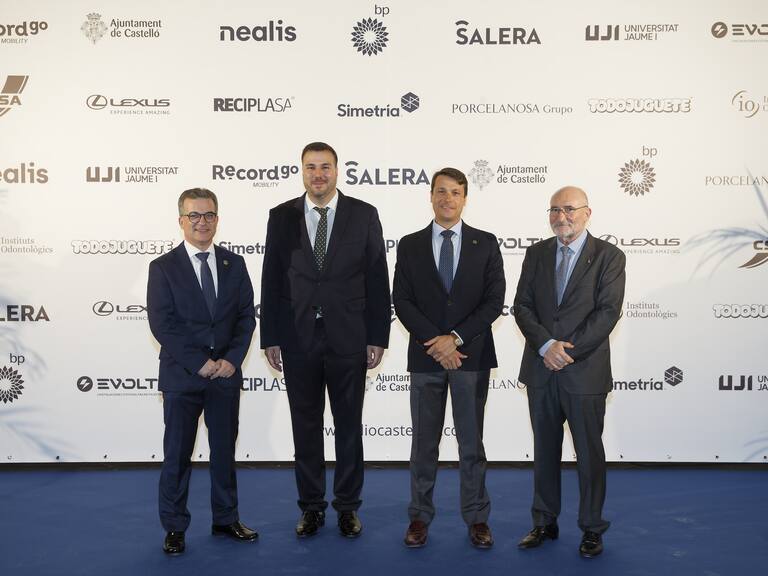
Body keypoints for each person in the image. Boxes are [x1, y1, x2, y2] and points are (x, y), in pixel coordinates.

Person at [260, 142, 391, 538]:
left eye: (325, 167)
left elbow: (377, 277)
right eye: (311, 167)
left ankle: (348, 507)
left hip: (349, 336)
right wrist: (270, 335)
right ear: (302, 171)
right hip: (297, 337)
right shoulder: (281, 216)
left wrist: (378, 335)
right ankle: (312, 507)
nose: (318, 174)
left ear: (337, 170)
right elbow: (271, 277)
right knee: (305, 426)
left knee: (349, 426)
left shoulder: (363, 214)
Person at [393, 168, 505, 548]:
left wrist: (454, 339)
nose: (447, 199)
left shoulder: (485, 243)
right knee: (424, 445)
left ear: (465, 198)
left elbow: (494, 301)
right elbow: (402, 300)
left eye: (455, 192)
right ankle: (419, 517)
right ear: (430, 195)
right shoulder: (410, 245)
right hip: (427, 359)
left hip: (470, 358)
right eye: (441, 191)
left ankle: (477, 518)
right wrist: (437, 343)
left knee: (471, 445)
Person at [513, 186, 625, 558]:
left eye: (569, 209)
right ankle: (544, 522)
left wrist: (565, 351)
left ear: (587, 213)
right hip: (541, 369)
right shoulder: (536, 254)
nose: (562, 217)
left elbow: (608, 312)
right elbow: (522, 306)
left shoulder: (609, 256)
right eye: (555, 210)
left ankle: (592, 528)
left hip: (584, 373)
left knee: (589, 455)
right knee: (544, 451)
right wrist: (547, 346)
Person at [147, 187, 257, 554]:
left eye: (208, 215)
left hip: (225, 375)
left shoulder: (234, 264)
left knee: (223, 452)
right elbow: (162, 324)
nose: (202, 222)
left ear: (217, 219)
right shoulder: (163, 267)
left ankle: (226, 518)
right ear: (181, 221)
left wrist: (231, 359)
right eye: (194, 215)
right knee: (177, 455)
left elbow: (246, 317)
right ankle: (174, 527)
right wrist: (200, 362)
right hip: (182, 377)